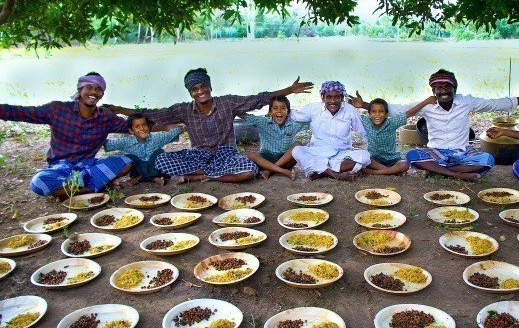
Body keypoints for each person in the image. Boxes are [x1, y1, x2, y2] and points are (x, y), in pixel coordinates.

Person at [106, 68, 312, 184]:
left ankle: (202, 176)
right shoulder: (184, 109)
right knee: (160, 160)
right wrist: (118, 109)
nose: (200, 91)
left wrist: (289, 90)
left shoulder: (226, 103)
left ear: (210, 87)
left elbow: (258, 99)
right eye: (194, 89)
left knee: (250, 171)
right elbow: (154, 115)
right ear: (190, 93)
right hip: (198, 154)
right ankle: (204, 172)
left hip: (226, 153)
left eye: (203, 86)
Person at [353, 69, 519, 181]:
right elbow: (394, 109)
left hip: (461, 153)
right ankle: (458, 174)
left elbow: (496, 103)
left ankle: (443, 171)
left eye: (448, 87)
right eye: (439, 88)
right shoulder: (428, 105)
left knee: (488, 159)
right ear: (434, 90)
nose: (444, 91)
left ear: (454, 88)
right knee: (412, 156)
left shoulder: (466, 102)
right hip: (435, 152)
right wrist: (364, 106)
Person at [0, 72, 132, 198]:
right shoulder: (57, 110)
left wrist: (124, 110)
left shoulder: (106, 116)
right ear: (79, 90)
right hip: (60, 168)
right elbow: (21, 112)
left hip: (88, 167)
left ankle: (71, 190)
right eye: (89, 87)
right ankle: (92, 187)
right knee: (38, 183)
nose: (93, 92)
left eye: (98, 89)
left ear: (102, 94)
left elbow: (136, 127)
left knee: (127, 162)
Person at [289, 81, 370, 181]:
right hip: (317, 153)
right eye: (329, 97)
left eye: (337, 97)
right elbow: (292, 115)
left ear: (342, 98)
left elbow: (363, 131)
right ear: (323, 98)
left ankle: (321, 171)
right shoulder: (313, 109)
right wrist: (288, 92)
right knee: (297, 150)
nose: (333, 101)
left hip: (341, 155)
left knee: (365, 156)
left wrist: (364, 105)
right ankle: (335, 174)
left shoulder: (350, 110)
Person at [237, 95, 309, 180]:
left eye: (283, 108)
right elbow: (244, 115)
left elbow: (314, 122)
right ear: (270, 112)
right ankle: (284, 171)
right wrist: (231, 108)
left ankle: (269, 171)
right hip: (266, 160)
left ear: (288, 112)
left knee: (298, 144)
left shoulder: (294, 124)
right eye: (275, 108)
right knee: (251, 155)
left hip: (286, 160)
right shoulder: (262, 122)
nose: (279, 111)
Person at [360, 96, 436, 175]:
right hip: (375, 159)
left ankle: (374, 172)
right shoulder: (366, 122)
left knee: (405, 165)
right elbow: (349, 113)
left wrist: (426, 101)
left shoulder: (392, 122)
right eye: (374, 111)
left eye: (381, 111)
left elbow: (409, 113)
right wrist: (353, 103)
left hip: (392, 158)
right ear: (369, 114)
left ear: (387, 114)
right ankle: (390, 171)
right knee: (365, 158)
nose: (377, 114)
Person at [104, 113, 185, 186]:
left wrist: (185, 127)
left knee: (159, 152)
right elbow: (108, 144)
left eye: (144, 125)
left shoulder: (157, 138)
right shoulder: (125, 142)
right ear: (131, 131)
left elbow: (172, 133)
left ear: (149, 127)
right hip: (138, 169)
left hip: (155, 167)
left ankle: (142, 178)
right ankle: (151, 178)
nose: (142, 129)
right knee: (131, 158)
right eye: (137, 127)